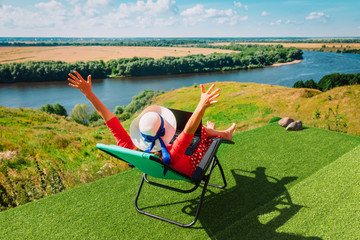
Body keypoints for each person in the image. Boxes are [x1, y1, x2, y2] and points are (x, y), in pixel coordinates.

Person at [68, 71, 236, 176]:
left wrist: (89, 95)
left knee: (196, 133)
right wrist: (201, 105)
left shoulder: (131, 149)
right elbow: (188, 131)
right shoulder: (173, 153)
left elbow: (110, 121)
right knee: (202, 134)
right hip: (190, 166)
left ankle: (217, 131)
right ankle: (222, 134)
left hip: (157, 168)